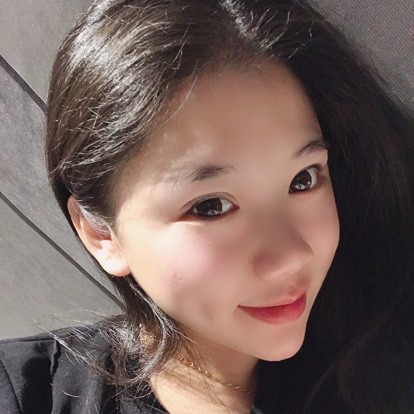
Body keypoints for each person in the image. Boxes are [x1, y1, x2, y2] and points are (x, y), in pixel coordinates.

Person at [1, 0, 413, 413]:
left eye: (303, 180)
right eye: (212, 206)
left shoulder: (381, 358)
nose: (291, 256)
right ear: (101, 233)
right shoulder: (25, 393)